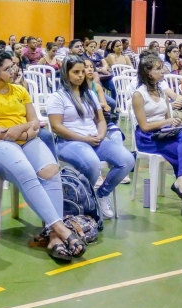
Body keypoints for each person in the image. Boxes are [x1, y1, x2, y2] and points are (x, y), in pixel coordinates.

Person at [0, 52, 87, 262]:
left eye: (13, 66)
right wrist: (20, 132)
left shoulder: (20, 90)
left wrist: (21, 130)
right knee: (26, 172)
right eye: (7, 68)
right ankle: (61, 229)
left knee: (51, 170)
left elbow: (35, 123)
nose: (13, 71)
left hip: (25, 139)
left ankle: (54, 237)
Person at [47, 56, 134, 219]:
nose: (81, 75)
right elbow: (57, 127)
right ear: (65, 73)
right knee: (93, 164)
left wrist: (101, 135)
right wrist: (84, 139)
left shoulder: (90, 94)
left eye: (82, 71)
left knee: (127, 160)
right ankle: (85, 202)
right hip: (69, 142)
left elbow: (100, 120)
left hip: (94, 140)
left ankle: (100, 195)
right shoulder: (57, 97)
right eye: (76, 72)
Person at [132, 55, 182, 218]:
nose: (163, 71)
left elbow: (168, 117)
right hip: (148, 137)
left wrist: (173, 122)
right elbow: (144, 126)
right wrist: (167, 121)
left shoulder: (161, 91)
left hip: (164, 132)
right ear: (148, 72)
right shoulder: (139, 94)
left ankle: (181, 181)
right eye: (158, 69)